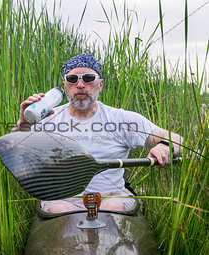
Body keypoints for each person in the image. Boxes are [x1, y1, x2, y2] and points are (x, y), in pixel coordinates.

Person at [12, 53, 183, 213]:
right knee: (60, 209)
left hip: (112, 195)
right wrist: (23, 123)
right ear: (65, 86)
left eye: (88, 78)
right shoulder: (46, 117)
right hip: (61, 197)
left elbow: (178, 140)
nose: (80, 85)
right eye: (72, 79)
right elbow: (14, 150)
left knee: (113, 206)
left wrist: (165, 147)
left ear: (100, 85)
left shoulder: (122, 119)